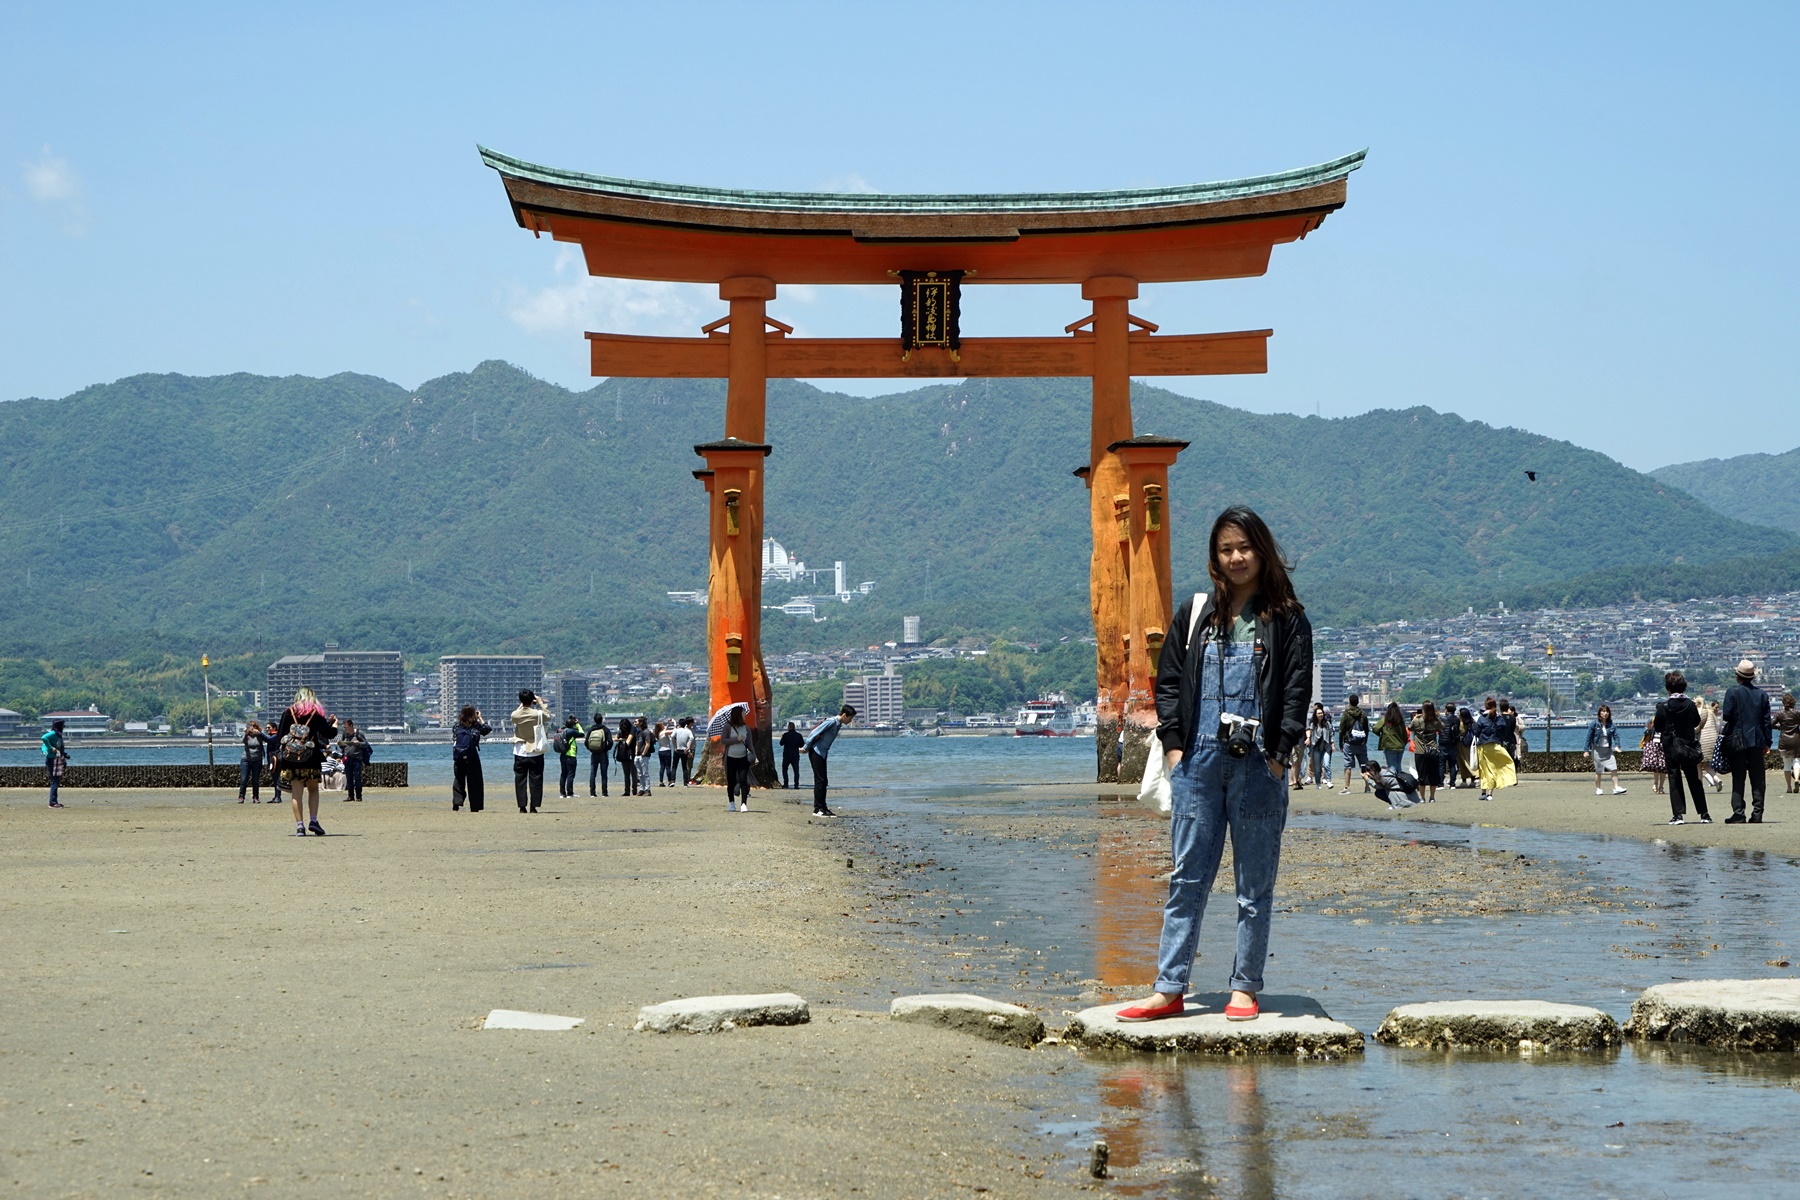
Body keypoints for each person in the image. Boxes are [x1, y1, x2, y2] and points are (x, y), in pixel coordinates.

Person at [1114, 506, 1312, 1026]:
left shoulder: (1287, 617)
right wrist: (1175, 749)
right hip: (1197, 764)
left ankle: (1244, 987)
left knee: (1254, 886)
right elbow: (1169, 681)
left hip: (1260, 766)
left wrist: (1279, 756)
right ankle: (1168, 988)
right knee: (1187, 880)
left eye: (1244, 547)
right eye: (1226, 549)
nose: (1236, 557)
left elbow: (1296, 689)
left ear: (1262, 551)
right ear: (1214, 557)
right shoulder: (1196, 612)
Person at [276, 686, 339, 836]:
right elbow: (329, 733)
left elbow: (280, 737)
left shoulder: (288, 712)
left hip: (292, 759)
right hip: (311, 757)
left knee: (296, 793)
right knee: (313, 789)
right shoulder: (316, 712)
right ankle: (313, 821)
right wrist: (334, 724)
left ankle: (300, 827)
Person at [1720, 658, 1774, 824]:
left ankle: (1739, 813)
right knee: (1758, 778)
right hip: (1757, 740)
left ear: (1738, 676)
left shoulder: (1732, 692)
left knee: (1738, 777)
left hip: (1737, 740)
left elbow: (1727, 715)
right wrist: (1767, 742)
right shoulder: (1762, 695)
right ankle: (1757, 813)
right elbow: (1766, 722)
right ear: (1752, 676)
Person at [1656, 671, 1710, 826]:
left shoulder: (1664, 706)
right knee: (1694, 778)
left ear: (1668, 688)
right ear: (1683, 687)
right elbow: (1696, 722)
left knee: (1674, 778)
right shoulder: (1690, 704)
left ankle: (1678, 815)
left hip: (1671, 746)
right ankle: (1704, 814)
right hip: (1688, 745)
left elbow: (1658, 726)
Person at [805, 704, 857, 817]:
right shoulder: (831, 722)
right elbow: (814, 733)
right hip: (816, 752)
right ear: (844, 715)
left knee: (823, 781)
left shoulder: (838, 724)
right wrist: (805, 747)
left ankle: (823, 807)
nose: (850, 721)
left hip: (822, 753)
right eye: (850, 718)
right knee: (820, 781)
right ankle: (818, 809)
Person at [510, 690, 550, 813]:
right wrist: (540, 702)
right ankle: (534, 806)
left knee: (520, 779)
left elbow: (514, 716)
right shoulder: (537, 714)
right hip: (535, 749)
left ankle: (522, 806)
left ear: (520, 700)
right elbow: (548, 716)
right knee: (536, 779)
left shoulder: (515, 715)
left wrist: (522, 704)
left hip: (520, 750)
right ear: (532, 700)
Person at [1471, 697, 1515, 802]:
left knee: (1484, 769)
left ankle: (1483, 792)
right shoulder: (1499, 718)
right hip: (1495, 746)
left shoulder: (1482, 718)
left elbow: (1476, 732)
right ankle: (1489, 793)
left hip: (1483, 746)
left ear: (1485, 706)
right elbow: (1504, 732)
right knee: (1494, 769)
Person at [451, 705, 491, 812]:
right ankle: (475, 806)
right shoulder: (476, 726)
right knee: (475, 781)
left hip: (459, 755)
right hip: (472, 755)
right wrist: (480, 718)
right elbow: (487, 730)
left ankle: (457, 802)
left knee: (459, 779)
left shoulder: (456, 726)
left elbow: (455, 739)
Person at [720, 707, 756, 812]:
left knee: (743, 781)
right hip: (730, 758)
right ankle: (731, 802)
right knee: (731, 781)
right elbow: (723, 740)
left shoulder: (746, 727)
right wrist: (736, 739)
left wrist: (754, 756)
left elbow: (750, 743)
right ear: (738, 714)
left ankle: (744, 804)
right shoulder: (728, 726)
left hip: (743, 758)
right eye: (743, 713)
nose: (745, 715)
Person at [1585, 704, 1627, 796]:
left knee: (1614, 768)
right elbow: (1588, 737)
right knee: (1599, 770)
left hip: (1608, 749)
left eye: (1607, 711)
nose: (1605, 713)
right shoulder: (1594, 724)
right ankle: (1598, 788)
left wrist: (1617, 746)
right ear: (1599, 713)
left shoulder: (1611, 724)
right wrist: (1586, 750)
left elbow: (1616, 736)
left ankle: (1616, 787)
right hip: (1597, 749)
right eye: (1603, 711)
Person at [1409, 701, 1443, 802]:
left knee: (1421, 775)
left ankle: (1422, 797)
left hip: (1420, 750)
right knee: (1433, 774)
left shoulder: (1418, 721)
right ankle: (1432, 797)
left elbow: (1410, 728)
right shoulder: (1435, 721)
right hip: (1433, 750)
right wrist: (1436, 716)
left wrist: (1415, 718)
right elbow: (1442, 726)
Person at [1337, 693, 1370, 793]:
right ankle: (1367, 786)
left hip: (1349, 742)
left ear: (1350, 702)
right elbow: (1366, 729)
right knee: (1364, 765)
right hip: (1361, 743)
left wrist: (1340, 744)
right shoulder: (1363, 714)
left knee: (1348, 766)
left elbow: (1341, 730)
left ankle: (1347, 787)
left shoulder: (1346, 714)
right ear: (1358, 702)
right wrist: (1365, 740)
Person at [339, 718, 371, 802]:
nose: (344, 728)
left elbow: (365, 744)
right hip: (347, 758)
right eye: (344, 726)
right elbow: (343, 745)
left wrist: (358, 743)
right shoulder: (345, 734)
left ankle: (359, 796)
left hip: (357, 758)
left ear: (351, 725)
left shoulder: (358, 733)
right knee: (349, 778)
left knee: (357, 777)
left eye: (346, 726)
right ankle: (350, 796)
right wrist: (340, 744)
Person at [1774, 692, 1800, 795]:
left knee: (1787, 764)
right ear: (1793, 702)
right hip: (1796, 739)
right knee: (1797, 761)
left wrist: (1779, 727)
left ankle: (1789, 787)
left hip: (1784, 740)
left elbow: (1770, 724)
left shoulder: (1779, 714)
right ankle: (1796, 779)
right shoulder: (1797, 713)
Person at [1699, 699, 1725, 792]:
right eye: (1716, 707)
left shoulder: (1706, 713)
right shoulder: (1715, 717)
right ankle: (1717, 779)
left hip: (1703, 740)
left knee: (1698, 764)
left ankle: (1699, 786)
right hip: (1713, 741)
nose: (1717, 709)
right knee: (1705, 764)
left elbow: (1698, 727)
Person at [42, 718, 68, 808]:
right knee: (55, 781)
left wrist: (64, 754)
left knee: (56, 781)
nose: (64, 727)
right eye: (63, 726)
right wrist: (50, 749)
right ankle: (52, 802)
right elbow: (43, 738)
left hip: (57, 758)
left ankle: (54, 801)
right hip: (52, 759)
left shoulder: (58, 734)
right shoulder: (53, 733)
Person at [554, 714, 582, 799]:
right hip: (571, 755)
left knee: (563, 774)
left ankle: (562, 794)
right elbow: (582, 733)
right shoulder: (572, 731)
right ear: (572, 724)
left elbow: (563, 727)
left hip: (563, 755)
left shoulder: (561, 730)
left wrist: (569, 723)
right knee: (570, 774)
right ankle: (570, 793)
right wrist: (577, 724)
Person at [1375, 701, 1407, 774]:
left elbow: (1375, 728)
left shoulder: (1385, 720)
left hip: (1390, 746)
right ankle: (1400, 780)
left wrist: (1382, 735)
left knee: (1392, 768)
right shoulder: (1400, 721)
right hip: (1400, 747)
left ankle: (1394, 780)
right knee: (1398, 766)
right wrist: (1403, 744)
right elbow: (1404, 735)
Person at [1640, 708, 1667, 794]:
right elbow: (1646, 731)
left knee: (1663, 767)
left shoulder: (1667, 719)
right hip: (1654, 744)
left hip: (1663, 744)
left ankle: (1661, 786)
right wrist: (1650, 728)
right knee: (1656, 765)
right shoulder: (1652, 719)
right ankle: (1656, 784)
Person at [585, 713, 612, 797]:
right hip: (603, 754)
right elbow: (610, 742)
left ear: (594, 720)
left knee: (593, 773)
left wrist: (591, 749)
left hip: (594, 754)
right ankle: (604, 792)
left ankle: (592, 793)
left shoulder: (591, 730)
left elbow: (586, 742)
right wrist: (606, 749)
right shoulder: (606, 729)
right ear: (602, 720)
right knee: (604, 774)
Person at [238, 720, 265, 803]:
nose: (252, 728)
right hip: (246, 759)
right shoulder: (247, 736)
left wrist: (259, 733)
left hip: (257, 760)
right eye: (250, 726)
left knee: (255, 780)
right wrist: (246, 734)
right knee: (244, 779)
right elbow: (243, 741)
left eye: (254, 726)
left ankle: (256, 797)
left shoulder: (259, 735)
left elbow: (264, 739)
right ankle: (241, 796)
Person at [1307, 703, 1332, 790]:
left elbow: (1331, 734)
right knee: (1317, 768)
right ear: (1315, 715)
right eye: (1318, 713)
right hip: (1316, 748)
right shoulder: (1313, 724)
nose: (1320, 715)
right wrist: (1308, 738)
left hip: (1326, 747)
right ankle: (1318, 783)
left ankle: (1328, 781)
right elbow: (1309, 730)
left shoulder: (1327, 723)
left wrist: (1333, 744)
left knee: (1327, 764)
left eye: (1321, 713)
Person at [262, 720, 285, 808]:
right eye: (266, 728)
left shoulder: (276, 736)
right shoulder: (273, 735)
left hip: (276, 759)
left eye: (269, 727)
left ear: (274, 728)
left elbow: (268, 740)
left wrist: (259, 733)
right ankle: (276, 796)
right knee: (274, 778)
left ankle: (278, 797)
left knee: (277, 778)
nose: (267, 729)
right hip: (271, 759)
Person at [613, 718, 637, 796]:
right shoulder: (621, 730)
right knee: (626, 773)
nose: (623, 728)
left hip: (632, 753)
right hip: (623, 754)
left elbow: (629, 740)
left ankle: (634, 790)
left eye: (624, 726)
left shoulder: (632, 729)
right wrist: (621, 739)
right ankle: (627, 791)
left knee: (633, 773)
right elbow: (615, 739)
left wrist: (622, 740)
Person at [779, 721, 806, 789]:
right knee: (796, 770)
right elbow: (802, 745)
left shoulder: (785, 735)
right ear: (794, 727)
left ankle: (786, 784)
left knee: (785, 769)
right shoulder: (799, 735)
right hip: (795, 755)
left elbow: (781, 743)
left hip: (787, 755)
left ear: (789, 727)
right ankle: (796, 785)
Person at [672, 717, 696, 785]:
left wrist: (675, 746)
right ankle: (686, 782)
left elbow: (672, 737)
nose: (693, 723)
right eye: (692, 722)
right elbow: (692, 738)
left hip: (678, 749)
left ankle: (673, 781)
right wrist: (688, 748)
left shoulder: (677, 730)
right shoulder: (688, 731)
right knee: (685, 766)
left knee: (675, 766)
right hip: (685, 750)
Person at [656, 721, 675, 786]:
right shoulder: (665, 733)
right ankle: (670, 781)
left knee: (662, 767)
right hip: (667, 750)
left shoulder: (658, 733)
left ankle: (661, 781)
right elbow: (674, 731)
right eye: (662, 725)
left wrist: (668, 724)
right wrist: (674, 724)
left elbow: (665, 730)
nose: (663, 726)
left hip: (660, 751)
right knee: (668, 767)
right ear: (661, 727)